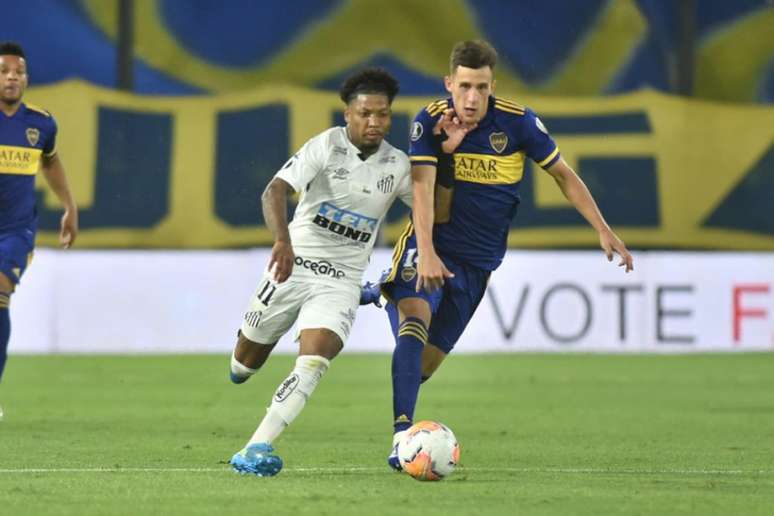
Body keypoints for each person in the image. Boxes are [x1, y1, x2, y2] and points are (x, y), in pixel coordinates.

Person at [360, 40, 634, 470]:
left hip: (477, 264)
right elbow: (422, 192)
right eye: (464, 86)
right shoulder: (429, 122)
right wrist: (427, 251)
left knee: (425, 365)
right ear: (449, 83)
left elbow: (563, 174)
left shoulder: (518, 124)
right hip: (431, 246)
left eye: (481, 87)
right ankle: (401, 437)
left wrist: (603, 229)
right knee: (415, 320)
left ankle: (381, 290)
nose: (471, 98)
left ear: (492, 86)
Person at [227, 68, 412, 476]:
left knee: (315, 359)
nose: (374, 122)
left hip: (339, 280)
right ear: (348, 114)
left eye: (382, 114)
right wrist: (282, 241)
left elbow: (435, 214)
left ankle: (256, 447)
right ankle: (249, 354)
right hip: (293, 265)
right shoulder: (326, 145)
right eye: (365, 113)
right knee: (243, 366)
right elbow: (274, 190)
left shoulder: (398, 165)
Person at [0, 42, 78, 420]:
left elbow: (51, 162)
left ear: (27, 78)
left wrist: (69, 206)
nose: (12, 77)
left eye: (18, 71)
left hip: (15, 231)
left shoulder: (41, 124)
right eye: (4, 70)